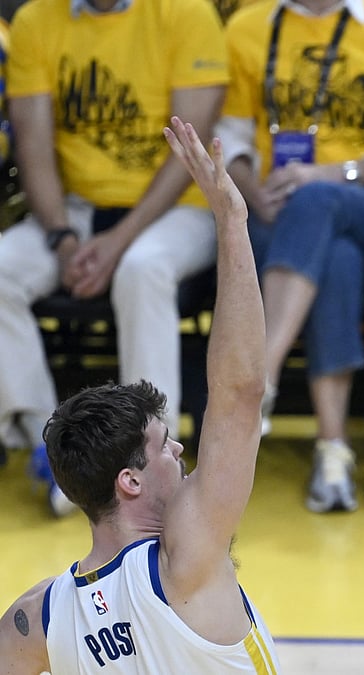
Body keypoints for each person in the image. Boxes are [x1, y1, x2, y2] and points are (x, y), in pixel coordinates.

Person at [0, 117, 280, 672]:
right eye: (164, 446)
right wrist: (231, 221)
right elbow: (241, 392)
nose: (179, 452)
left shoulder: (39, 617)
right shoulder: (188, 557)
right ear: (130, 482)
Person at [0, 0, 228, 516]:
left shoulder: (188, 14)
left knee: (142, 268)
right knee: (2, 270)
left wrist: (119, 239)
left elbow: (187, 148)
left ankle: (154, 459)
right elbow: (32, 142)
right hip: (76, 208)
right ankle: (55, 446)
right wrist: (60, 236)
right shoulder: (37, 20)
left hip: (178, 205)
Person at [218, 0, 364, 513]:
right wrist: (250, 189)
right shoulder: (248, 27)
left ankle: (258, 377)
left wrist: (331, 176)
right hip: (276, 212)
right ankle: (333, 452)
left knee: (319, 207)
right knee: (335, 259)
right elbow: (233, 136)